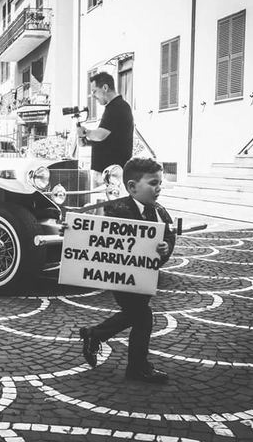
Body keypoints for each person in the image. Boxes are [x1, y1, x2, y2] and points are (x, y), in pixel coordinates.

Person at [63, 157, 176, 383]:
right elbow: (91, 233)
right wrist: (70, 230)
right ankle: (137, 368)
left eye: (160, 182)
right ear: (132, 187)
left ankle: (94, 335)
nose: (159, 188)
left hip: (145, 276)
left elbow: (169, 236)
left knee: (136, 315)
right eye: (153, 183)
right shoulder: (115, 209)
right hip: (122, 277)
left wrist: (165, 247)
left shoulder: (160, 211)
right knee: (143, 317)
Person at [77, 72, 134, 188]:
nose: (92, 96)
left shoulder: (117, 107)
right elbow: (111, 140)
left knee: (106, 205)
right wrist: (86, 141)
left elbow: (100, 135)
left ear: (105, 88)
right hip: (109, 173)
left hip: (111, 175)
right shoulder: (114, 107)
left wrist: (85, 132)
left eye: (94, 91)